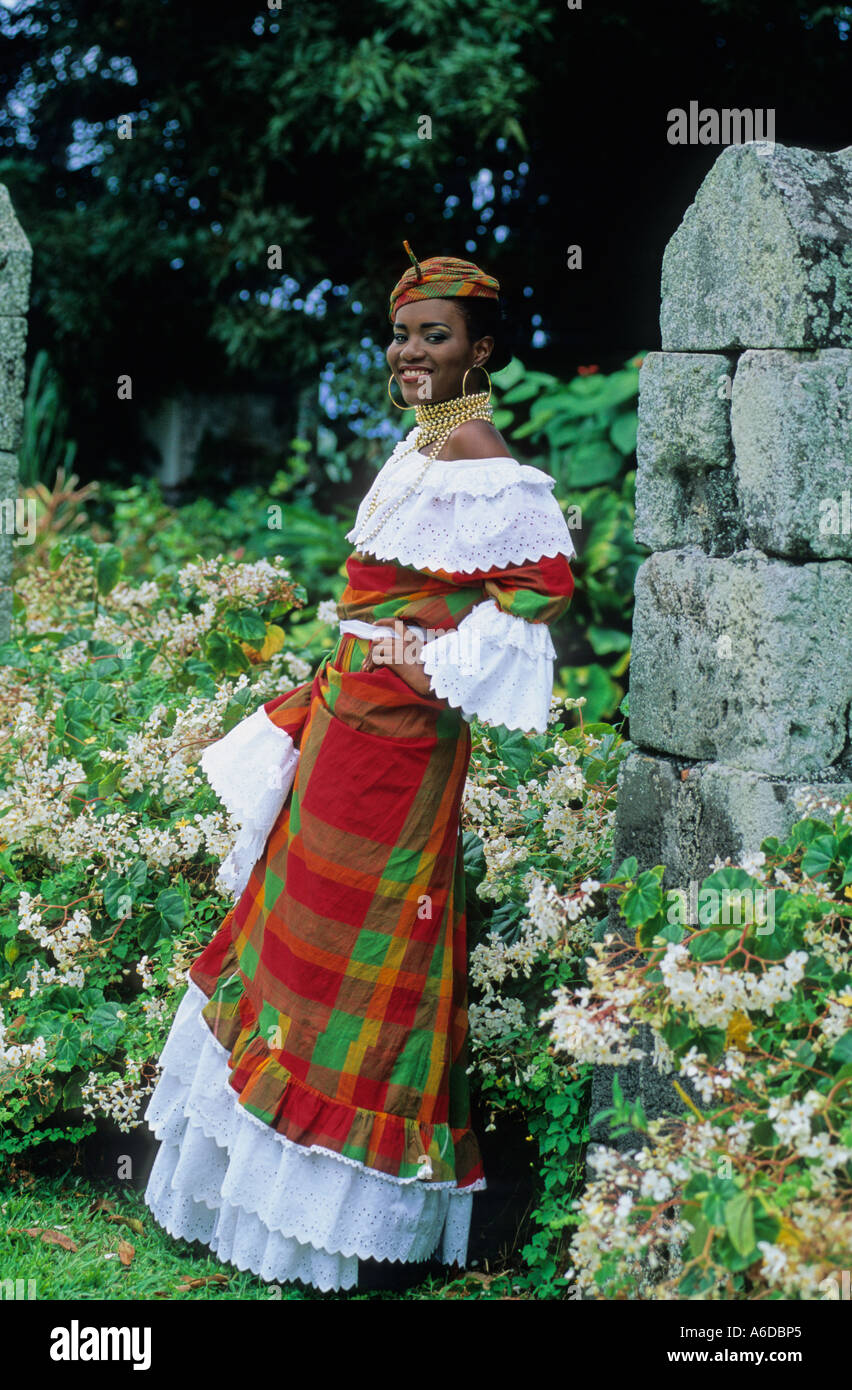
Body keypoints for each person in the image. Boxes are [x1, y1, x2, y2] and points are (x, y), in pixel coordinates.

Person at [142, 243, 577, 1293]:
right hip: (346, 732)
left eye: (436, 336)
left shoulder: (479, 449)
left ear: (483, 348)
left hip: (398, 752)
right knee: (298, 936)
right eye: (401, 334)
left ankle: (337, 1222)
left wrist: (426, 657)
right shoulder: (423, 440)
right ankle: (265, 1204)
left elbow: (545, 588)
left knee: (371, 940)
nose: (411, 353)